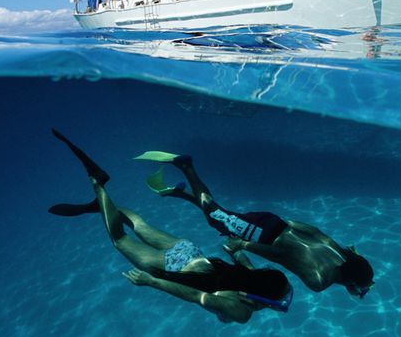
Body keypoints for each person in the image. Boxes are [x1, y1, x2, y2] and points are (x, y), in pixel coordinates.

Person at [48, 129, 293, 324]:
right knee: (119, 239)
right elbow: (198, 296)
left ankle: (104, 207)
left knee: (138, 224)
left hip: (192, 252)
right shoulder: (241, 311)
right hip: (174, 267)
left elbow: (240, 257)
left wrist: (236, 248)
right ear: (266, 300)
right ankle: (98, 184)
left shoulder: (249, 276)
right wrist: (152, 281)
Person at [135, 151, 375, 299]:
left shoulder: (339, 252)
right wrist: (244, 245)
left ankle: (181, 194)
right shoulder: (319, 281)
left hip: (275, 223)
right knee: (213, 214)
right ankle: (185, 165)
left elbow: (312, 231)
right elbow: (282, 254)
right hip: (263, 236)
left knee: (220, 218)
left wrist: (281, 224)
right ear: (351, 281)